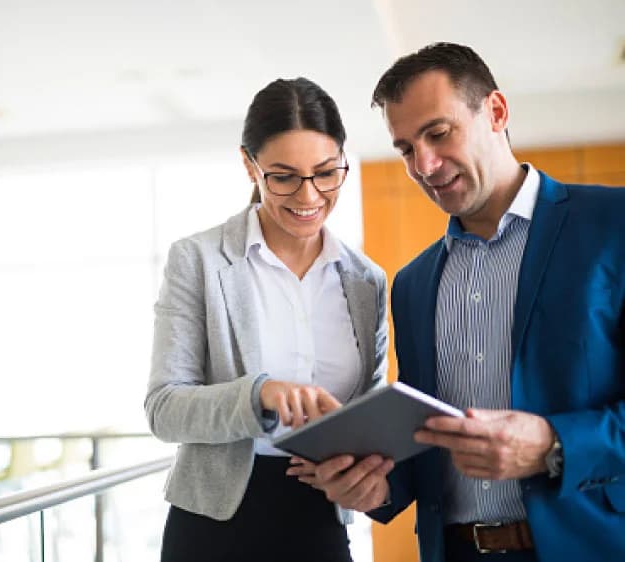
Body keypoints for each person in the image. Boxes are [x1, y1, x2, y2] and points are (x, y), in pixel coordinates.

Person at [304, 42, 625, 562]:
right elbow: (425, 442)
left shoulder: (614, 225)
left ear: (495, 112)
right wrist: (375, 488)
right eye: (406, 148)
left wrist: (554, 444)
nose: (424, 165)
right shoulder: (412, 284)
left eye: (438, 133)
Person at [145, 77, 390, 562]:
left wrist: (363, 462)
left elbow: (367, 411)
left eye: (326, 172)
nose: (309, 195)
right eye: (284, 176)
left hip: (321, 515)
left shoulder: (367, 281)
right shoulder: (199, 260)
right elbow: (164, 409)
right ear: (249, 166)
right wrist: (260, 394)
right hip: (214, 524)